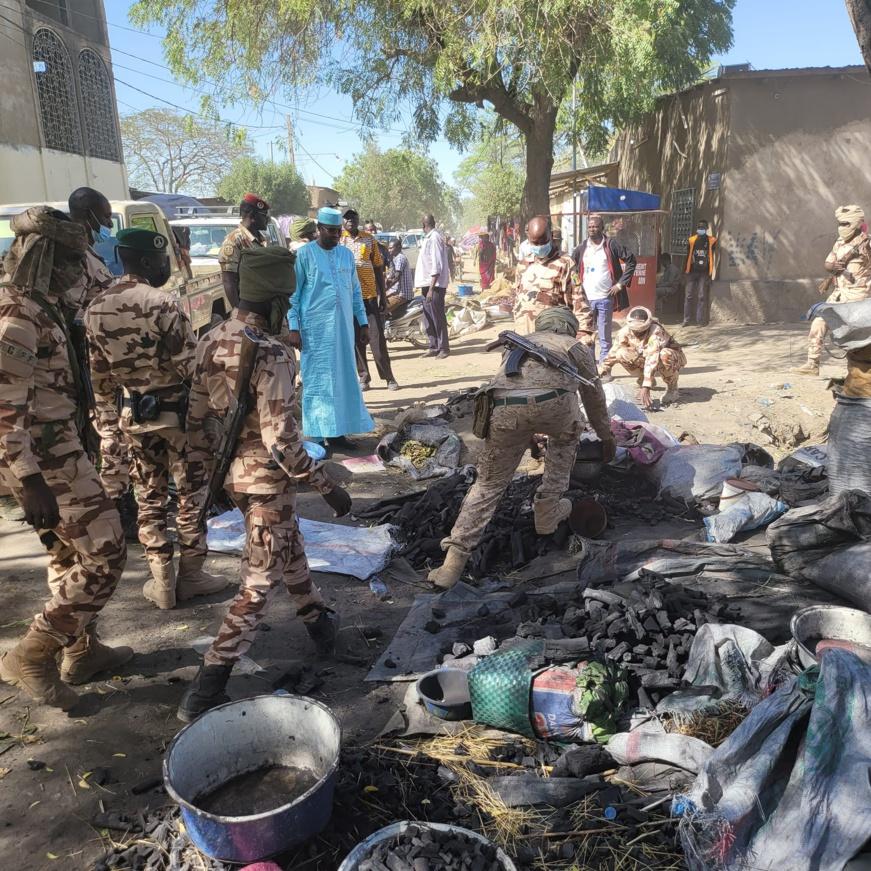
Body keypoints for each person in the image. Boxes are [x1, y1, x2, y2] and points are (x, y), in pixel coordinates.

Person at [179, 246, 351, 721]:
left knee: (286, 542)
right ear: (276, 302)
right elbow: (282, 440)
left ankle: (318, 621)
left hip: (230, 477)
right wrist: (326, 484)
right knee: (258, 582)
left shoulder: (209, 339)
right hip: (266, 481)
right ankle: (209, 682)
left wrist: (201, 479)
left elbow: (195, 419)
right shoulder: (272, 352)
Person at [0, 207, 130, 708]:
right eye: (74, 261)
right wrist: (29, 480)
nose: (83, 270)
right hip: (43, 456)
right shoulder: (16, 317)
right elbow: (6, 409)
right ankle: (32, 653)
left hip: (60, 444)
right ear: (48, 260)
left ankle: (82, 651)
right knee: (107, 551)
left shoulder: (42, 306)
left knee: (68, 553)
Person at [85, 228, 227, 610]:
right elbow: (190, 368)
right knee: (191, 496)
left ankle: (161, 581)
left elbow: (99, 380)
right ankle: (192, 576)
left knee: (149, 496)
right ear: (148, 261)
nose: (167, 266)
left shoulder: (95, 308)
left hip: (134, 417)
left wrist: (110, 429)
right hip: (178, 419)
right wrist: (214, 414)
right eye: (164, 260)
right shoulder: (162, 303)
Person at [427, 306, 615, 589]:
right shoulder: (575, 345)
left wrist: (525, 437)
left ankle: (451, 565)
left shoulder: (517, 345)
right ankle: (548, 512)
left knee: (488, 486)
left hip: (504, 409)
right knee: (564, 441)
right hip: (557, 407)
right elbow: (594, 396)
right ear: (568, 327)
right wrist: (606, 436)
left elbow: (516, 391)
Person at [67, 188, 138, 539]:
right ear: (89, 214)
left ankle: (114, 504)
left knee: (109, 434)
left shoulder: (85, 253)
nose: (108, 223)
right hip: (89, 362)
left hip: (98, 359)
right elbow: (81, 313)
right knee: (112, 434)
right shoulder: (73, 258)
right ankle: (115, 510)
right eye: (106, 216)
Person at [289, 208, 374, 449]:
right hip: (315, 331)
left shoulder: (346, 256)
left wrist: (364, 323)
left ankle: (338, 433)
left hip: (344, 330)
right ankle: (317, 437)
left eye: (339, 231)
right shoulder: (305, 255)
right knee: (317, 380)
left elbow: (356, 292)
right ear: (319, 229)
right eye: (332, 231)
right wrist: (294, 327)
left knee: (343, 378)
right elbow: (293, 296)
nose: (337, 235)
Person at [795, 204, 871, 376]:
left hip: (857, 298)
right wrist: (831, 266)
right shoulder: (839, 243)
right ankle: (812, 363)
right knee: (819, 323)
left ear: (858, 224)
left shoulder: (867, 243)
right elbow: (828, 262)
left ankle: (858, 371)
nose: (842, 228)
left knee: (856, 337)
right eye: (840, 224)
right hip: (838, 296)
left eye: (846, 224)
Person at [341, 208, 398, 391]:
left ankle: (389, 377)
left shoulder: (369, 239)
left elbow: (378, 269)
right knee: (357, 341)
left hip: (369, 297)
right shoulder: (339, 241)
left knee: (377, 339)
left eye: (353, 217)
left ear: (358, 219)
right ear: (343, 221)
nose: (350, 220)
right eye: (347, 218)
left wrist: (383, 296)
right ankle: (364, 377)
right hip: (348, 299)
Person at [571, 214, 636, 365]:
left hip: (605, 298)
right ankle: (591, 367)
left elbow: (631, 260)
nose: (592, 229)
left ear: (602, 228)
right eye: (590, 227)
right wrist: (577, 283)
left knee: (604, 336)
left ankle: (605, 368)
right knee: (588, 335)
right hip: (586, 299)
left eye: (595, 226)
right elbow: (571, 266)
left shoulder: (611, 245)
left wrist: (620, 284)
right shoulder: (582, 248)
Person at [514, 215, 592, 337]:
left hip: (552, 338)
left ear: (550, 236)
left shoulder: (565, 263)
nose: (539, 246)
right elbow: (518, 300)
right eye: (535, 243)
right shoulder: (523, 265)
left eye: (543, 242)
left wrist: (584, 335)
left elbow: (580, 302)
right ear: (528, 238)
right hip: (523, 337)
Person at [600, 306, 686, 408]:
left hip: (670, 358)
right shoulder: (624, 332)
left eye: (640, 330)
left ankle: (672, 388)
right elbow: (612, 355)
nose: (637, 333)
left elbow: (652, 357)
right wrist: (599, 373)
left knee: (664, 355)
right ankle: (643, 379)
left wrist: (646, 386)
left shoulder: (656, 331)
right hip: (645, 357)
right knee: (621, 353)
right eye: (635, 330)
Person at [218, 193, 271, 307]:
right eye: (264, 215)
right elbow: (229, 281)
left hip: (263, 304)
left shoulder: (262, 239)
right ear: (252, 217)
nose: (268, 219)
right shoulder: (234, 241)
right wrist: (239, 312)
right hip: (247, 306)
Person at [414, 214, 451, 358]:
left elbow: (437, 265)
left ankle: (444, 348)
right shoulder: (428, 237)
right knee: (428, 316)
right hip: (427, 284)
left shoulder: (435, 237)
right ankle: (434, 345)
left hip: (434, 286)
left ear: (424, 224)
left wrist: (431, 289)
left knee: (438, 316)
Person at [682, 219, 717, 326]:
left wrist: (710, 274)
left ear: (706, 229)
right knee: (688, 296)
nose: (701, 229)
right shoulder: (691, 240)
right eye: (699, 227)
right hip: (692, 271)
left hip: (704, 272)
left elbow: (712, 257)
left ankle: (700, 321)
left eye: (703, 227)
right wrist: (685, 271)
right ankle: (686, 320)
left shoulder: (712, 241)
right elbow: (687, 256)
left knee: (701, 296)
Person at [385, 237, 414, 305]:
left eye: (391, 248)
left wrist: (386, 287)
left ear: (398, 247)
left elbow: (396, 277)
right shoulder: (394, 258)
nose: (389, 250)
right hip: (395, 291)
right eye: (388, 248)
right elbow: (391, 275)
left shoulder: (400, 257)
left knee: (382, 309)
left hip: (402, 294)